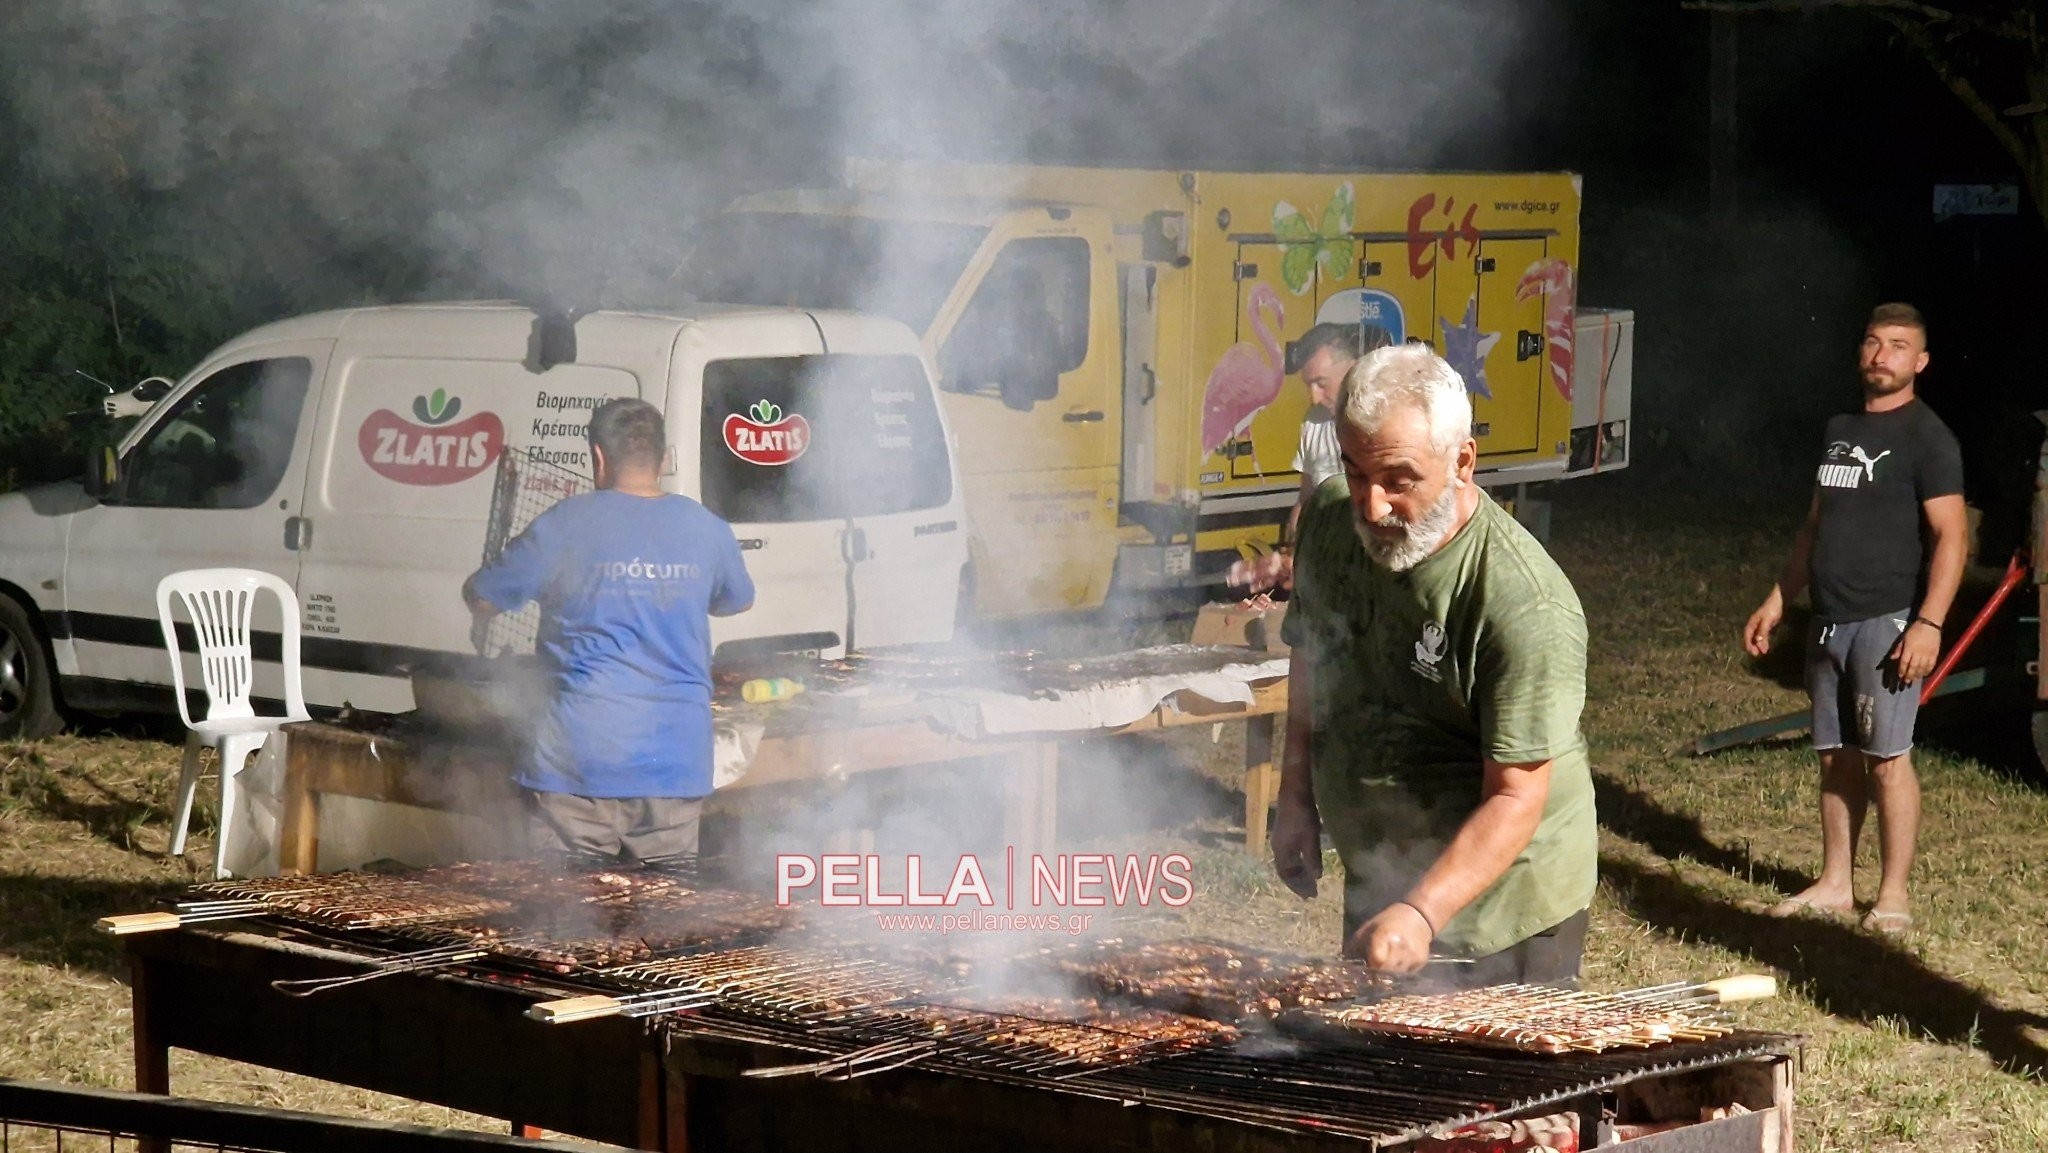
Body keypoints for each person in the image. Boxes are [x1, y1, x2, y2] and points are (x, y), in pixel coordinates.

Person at [1272, 343, 1597, 984]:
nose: (1372, 506)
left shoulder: (1521, 604)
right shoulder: (1332, 523)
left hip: (1501, 908)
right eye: (1357, 473)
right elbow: (1312, 656)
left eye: (1399, 480)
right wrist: (1294, 795)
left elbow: (1516, 794)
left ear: (1463, 462)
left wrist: (1422, 911)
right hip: (1385, 879)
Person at [1743, 302, 1966, 935]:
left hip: (1887, 621)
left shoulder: (1929, 438)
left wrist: (1929, 623)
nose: (1881, 355)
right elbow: (1816, 526)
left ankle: (1892, 894)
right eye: (1873, 342)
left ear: (1919, 362)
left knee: (1887, 759)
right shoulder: (1840, 429)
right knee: (1835, 757)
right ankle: (1836, 883)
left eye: (1897, 345)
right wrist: (1780, 599)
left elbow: (1951, 537)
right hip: (1827, 622)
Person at [464, 398, 755, 861]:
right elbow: (737, 599)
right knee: (664, 915)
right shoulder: (707, 528)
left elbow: (483, 596)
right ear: (662, 459)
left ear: (598, 457)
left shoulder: (564, 523)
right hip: (674, 762)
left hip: (577, 763)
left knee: (570, 921)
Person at [1229, 322, 1393, 593]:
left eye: (1321, 383)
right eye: (1308, 385)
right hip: (1326, 576)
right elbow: (1305, 500)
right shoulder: (1313, 422)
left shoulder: (1384, 424)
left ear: (1354, 369)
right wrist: (1289, 553)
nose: (1313, 397)